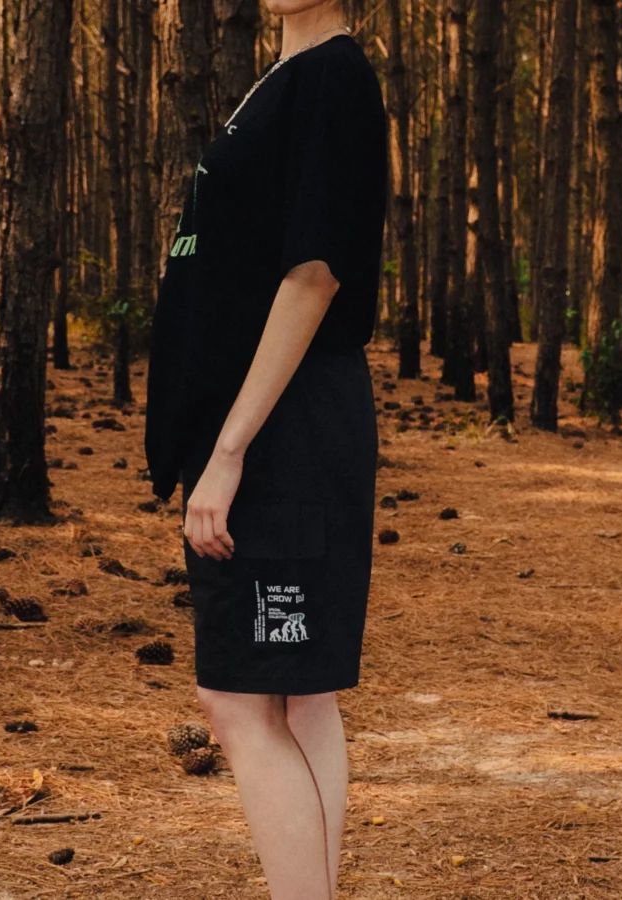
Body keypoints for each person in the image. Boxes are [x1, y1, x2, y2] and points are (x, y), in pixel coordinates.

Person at [144, 1, 387, 897]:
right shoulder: (286, 81)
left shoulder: (334, 77)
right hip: (277, 416)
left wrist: (230, 449)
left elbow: (315, 274)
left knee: (240, 701)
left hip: (284, 424)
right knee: (299, 695)